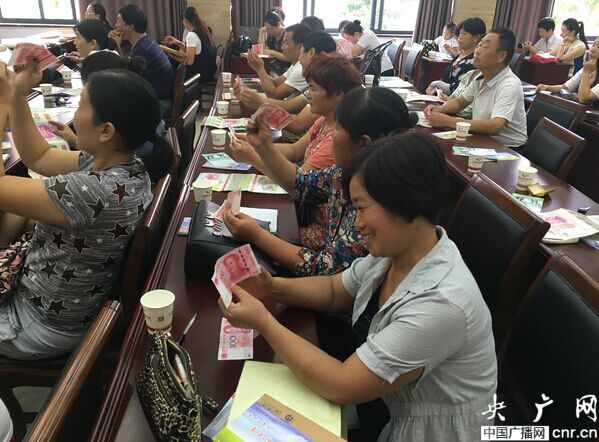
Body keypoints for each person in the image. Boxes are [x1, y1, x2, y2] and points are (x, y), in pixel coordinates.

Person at [219, 132, 497, 441]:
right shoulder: (397, 252)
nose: (357, 223)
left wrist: (264, 322)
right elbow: (335, 291)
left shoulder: (441, 304)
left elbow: (342, 385)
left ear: (407, 203)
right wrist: (272, 287)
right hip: (384, 403)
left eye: (362, 209)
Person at [0, 62, 173, 360]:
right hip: (61, 309)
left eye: (81, 105)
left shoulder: (92, 193)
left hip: (35, 322)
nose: (75, 114)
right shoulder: (127, 168)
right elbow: (38, 156)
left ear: (106, 131)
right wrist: (16, 95)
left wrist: (2, 101)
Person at [223, 87, 417, 276]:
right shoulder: (345, 173)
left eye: (337, 130)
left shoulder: (378, 208)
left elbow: (325, 267)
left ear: (363, 144)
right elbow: (301, 185)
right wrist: (264, 146)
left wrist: (256, 235)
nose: (330, 137)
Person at [230, 54, 362, 249]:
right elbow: (293, 150)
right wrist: (257, 146)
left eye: (313, 89)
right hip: (305, 212)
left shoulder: (339, 139)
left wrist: (253, 156)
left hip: (317, 224)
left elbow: (297, 184)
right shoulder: (322, 120)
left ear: (337, 94)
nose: (308, 94)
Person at [425, 28, 527, 150]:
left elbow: (495, 126)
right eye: (479, 45)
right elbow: (459, 102)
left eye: (485, 46)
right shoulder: (481, 77)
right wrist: (439, 110)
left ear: (501, 56)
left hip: (508, 148)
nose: (477, 51)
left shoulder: (509, 85)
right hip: (483, 138)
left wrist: (448, 121)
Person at [238, 30, 337, 136]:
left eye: (287, 43)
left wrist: (261, 103)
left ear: (311, 52)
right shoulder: (313, 75)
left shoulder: (328, 83)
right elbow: (283, 94)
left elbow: (298, 125)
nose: (282, 47)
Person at [110, 4, 174, 117]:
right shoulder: (146, 41)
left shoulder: (141, 50)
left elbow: (124, 76)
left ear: (131, 27)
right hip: (162, 97)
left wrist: (117, 45)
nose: (115, 25)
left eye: (119, 21)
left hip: (158, 104)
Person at [246, 23, 311, 99]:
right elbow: (276, 83)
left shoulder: (300, 69)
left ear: (300, 47)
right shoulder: (296, 64)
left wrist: (260, 69)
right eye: (283, 43)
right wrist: (259, 68)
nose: (282, 47)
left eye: (287, 43)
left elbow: (274, 95)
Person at [427, 17, 486, 95]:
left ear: (476, 38)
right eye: (460, 33)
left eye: (464, 33)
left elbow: (457, 89)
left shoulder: (474, 61)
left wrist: (436, 84)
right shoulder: (460, 56)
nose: (459, 37)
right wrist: (436, 88)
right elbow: (446, 77)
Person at [537, 37, 599, 105]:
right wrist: (547, 87)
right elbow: (566, 87)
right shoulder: (589, 67)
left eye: (598, 47)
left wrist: (586, 72)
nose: (592, 50)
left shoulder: (587, 68)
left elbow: (584, 98)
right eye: (593, 45)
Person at [162, 6, 217, 81]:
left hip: (200, 76)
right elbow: (195, 50)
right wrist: (178, 43)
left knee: (173, 64)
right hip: (209, 72)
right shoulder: (204, 31)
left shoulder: (191, 35)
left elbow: (189, 61)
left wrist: (171, 54)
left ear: (185, 20)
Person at [257, 10, 290, 76]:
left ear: (279, 24)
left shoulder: (288, 34)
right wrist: (261, 32)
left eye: (271, 29)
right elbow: (262, 49)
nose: (269, 32)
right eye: (267, 29)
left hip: (288, 67)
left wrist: (272, 52)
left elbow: (288, 58)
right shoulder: (272, 36)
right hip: (275, 66)